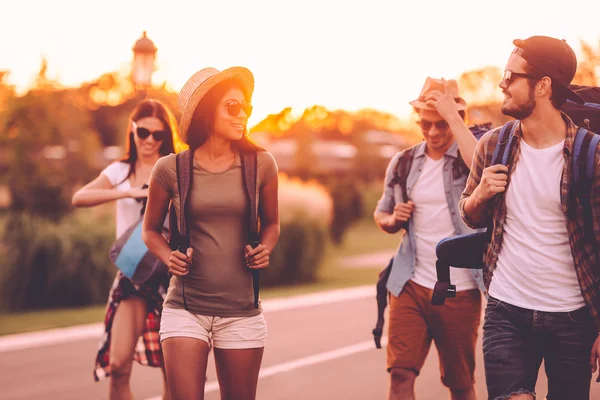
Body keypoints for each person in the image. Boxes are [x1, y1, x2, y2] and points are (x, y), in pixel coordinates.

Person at [459, 36, 600, 400]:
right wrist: (479, 195)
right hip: (506, 311)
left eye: (510, 75)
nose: (501, 83)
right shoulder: (493, 144)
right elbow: (470, 216)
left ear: (543, 86)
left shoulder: (592, 155)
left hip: (573, 318)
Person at [142, 66, 280, 400]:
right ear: (208, 112)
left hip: (242, 312)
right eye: (233, 107)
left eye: (245, 107)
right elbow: (149, 230)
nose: (243, 114)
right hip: (185, 309)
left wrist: (265, 247)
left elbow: (272, 224)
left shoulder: (261, 164)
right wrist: (168, 256)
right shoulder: (170, 169)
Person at [374, 77, 485, 400]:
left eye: (442, 124)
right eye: (426, 124)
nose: (434, 132)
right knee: (399, 374)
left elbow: (483, 164)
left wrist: (455, 121)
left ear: (456, 119)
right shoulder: (404, 162)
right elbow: (381, 213)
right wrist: (393, 219)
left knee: (460, 385)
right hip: (409, 283)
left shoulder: (471, 157)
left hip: (459, 289)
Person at [72, 99, 177, 400]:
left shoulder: (173, 166)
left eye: (157, 135)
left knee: (174, 372)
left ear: (165, 136)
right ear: (132, 130)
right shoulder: (121, 170)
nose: (149, 140)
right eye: (143, 132)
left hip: (171, 274)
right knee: (118, 366)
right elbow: (80, 197)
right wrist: (130, 191)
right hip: (133, 272)